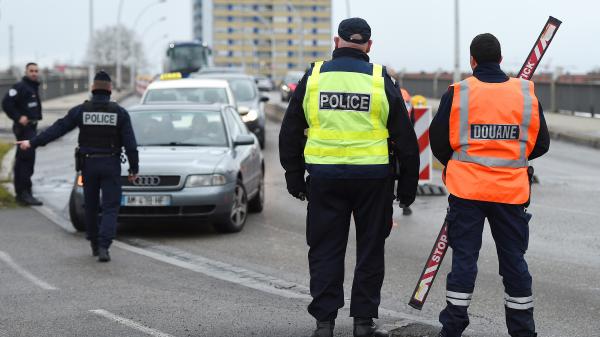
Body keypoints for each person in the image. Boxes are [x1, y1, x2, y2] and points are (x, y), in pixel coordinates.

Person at [279, 18, 420, 337]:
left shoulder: (313, 77)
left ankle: (324, 323)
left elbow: (290, 130)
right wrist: (407, 187)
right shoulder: (379, 79)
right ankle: (363, 322)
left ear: (336, 41)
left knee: (325, 248)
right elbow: (405, 138)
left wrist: (293, 176)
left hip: (324, 179)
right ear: (369, 46)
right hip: (373, 179)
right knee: (371, 249)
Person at [429, 33, 550, 337]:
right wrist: (513, 152)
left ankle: (453, 328)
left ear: (472, 60)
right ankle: (523, 331)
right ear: (500, 58)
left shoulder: (459, 92)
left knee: (465, 261)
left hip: (467, 192)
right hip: (511, 193)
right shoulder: (524, 93)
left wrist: (456, 162)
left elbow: (438, 142)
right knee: (513, 262)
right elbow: (541, 143)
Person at [17, 71, 139, 263]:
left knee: (90, 206)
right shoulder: (120, 113)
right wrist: (134, 169)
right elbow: (131, 144)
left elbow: (57, 129)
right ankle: (104, 247)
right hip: (111, 164)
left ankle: (93, 243)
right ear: (110, 90)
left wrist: (32, 143)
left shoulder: (81, 110)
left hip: (88, 165)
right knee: (110, 207)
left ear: (92, 89)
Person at [2, 62, 43, 205]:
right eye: (31, 71)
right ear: (26, 72)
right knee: (26, 159)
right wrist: (18, 117)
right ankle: (25, 193)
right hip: (24, 128)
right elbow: (6, 103)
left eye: (36, 71)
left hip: (31, 127)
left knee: (23, 159)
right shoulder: (20, 87)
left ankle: (22, 193)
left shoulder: (33, 86)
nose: (34, 73)